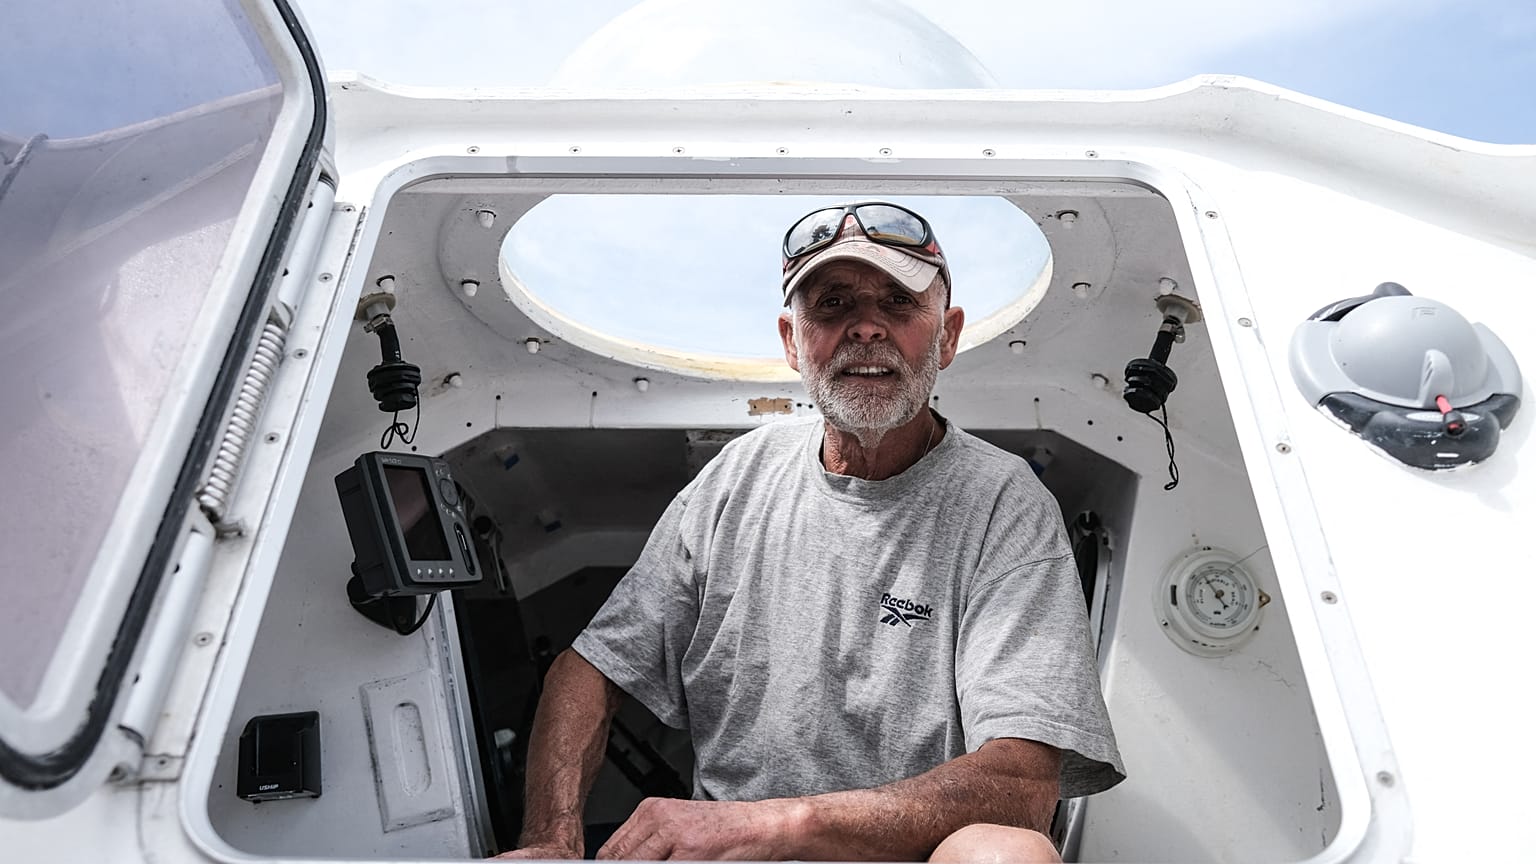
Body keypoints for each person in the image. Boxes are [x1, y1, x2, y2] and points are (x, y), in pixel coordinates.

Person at [498, 202, 1123, 863]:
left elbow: (1020, 786)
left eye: (898, 302)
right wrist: (551, 843)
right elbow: (589, 670)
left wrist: (776, 826)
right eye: (831, 305)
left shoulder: (1004, 502)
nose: (866, 328)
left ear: (947, 335)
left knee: (1007, 854)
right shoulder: (737, 478)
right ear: (794, 341)